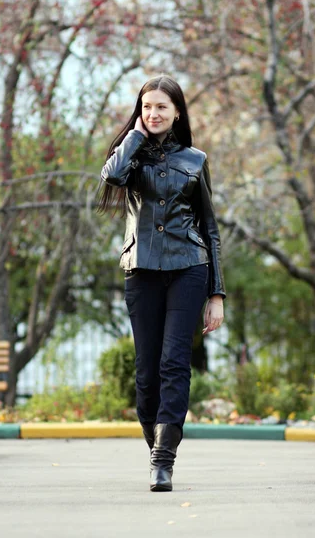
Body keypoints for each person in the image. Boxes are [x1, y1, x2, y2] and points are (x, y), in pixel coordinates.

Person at [98, 75, 226, 492]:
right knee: (146, 374)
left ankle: (163, 458)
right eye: (146, 106)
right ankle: (154, 445)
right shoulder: (129, 156)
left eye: (161, 107)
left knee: (174, 363)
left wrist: (217, 293)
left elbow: (211, 229)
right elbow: (112, 178)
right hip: (142, 271)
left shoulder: (195, 159)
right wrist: (134, 136)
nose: (153, 113)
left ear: (176, 113)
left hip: (189, 268)